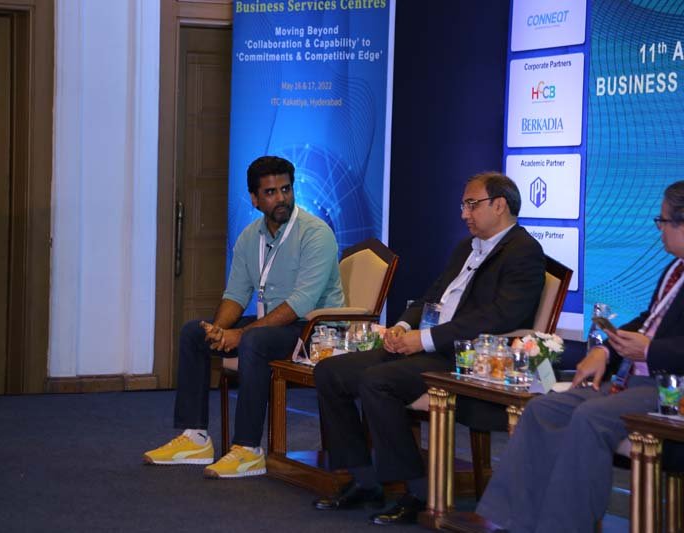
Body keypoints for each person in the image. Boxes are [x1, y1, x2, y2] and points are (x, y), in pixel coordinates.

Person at [312, 172, 546, 524]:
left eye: (472, 204)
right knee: (331, 372)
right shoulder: (466, 247)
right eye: (463, 205)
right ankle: (363, 480)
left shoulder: (524, 251)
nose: (464, 213)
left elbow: (500, 316)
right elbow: (431, 296)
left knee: (378, 381)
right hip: (425, 345)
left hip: (463, 357)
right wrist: (402, 327)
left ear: (499, 205)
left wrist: (423, 339)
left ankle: (417, 492)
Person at [475, 181, 684, 532]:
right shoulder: (673, 270)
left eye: (662, 221)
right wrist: (605, 348)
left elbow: (657, 341)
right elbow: (648, 319)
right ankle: (511, 521)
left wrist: (649, 349)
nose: (658, 229)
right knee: (543, 408)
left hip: (669, 389)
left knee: (591, 416)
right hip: (631, 379)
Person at [143, 155, 344, 479]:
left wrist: (240, 335)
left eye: (286, 189)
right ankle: (195, 438)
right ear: (254, 199)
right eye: (270, 192)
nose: (281, 198)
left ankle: (248, 450)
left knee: (254, 341)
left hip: (317, 331)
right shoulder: (250, 237)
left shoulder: (316, 234)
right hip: (274, 326)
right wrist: (219, 330)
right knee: (194, 333)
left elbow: (301, 303)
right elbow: (236, 295)